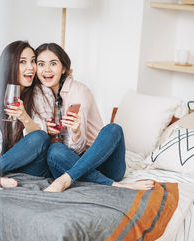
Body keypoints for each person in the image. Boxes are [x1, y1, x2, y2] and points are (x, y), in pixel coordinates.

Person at [34, 43, 155, 192]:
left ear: (63, 68)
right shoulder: (38, 95)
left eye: (53, 63)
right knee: (54, 151)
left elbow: (78, 147)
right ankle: (109, 185)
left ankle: (67, 180)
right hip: (69, 162)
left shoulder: (79, 92)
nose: (47, 69)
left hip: (101, 161)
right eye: (41, 64)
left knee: (113, 129)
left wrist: (76, 131)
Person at [0, 41, 54, 188]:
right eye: (23, 62)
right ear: (10, 65)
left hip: (32, 166)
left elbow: (41, 140)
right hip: (7, 160)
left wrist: (24, 117)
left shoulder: (42, 93)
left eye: (33, 61)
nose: (31, 67)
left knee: (39, 137)